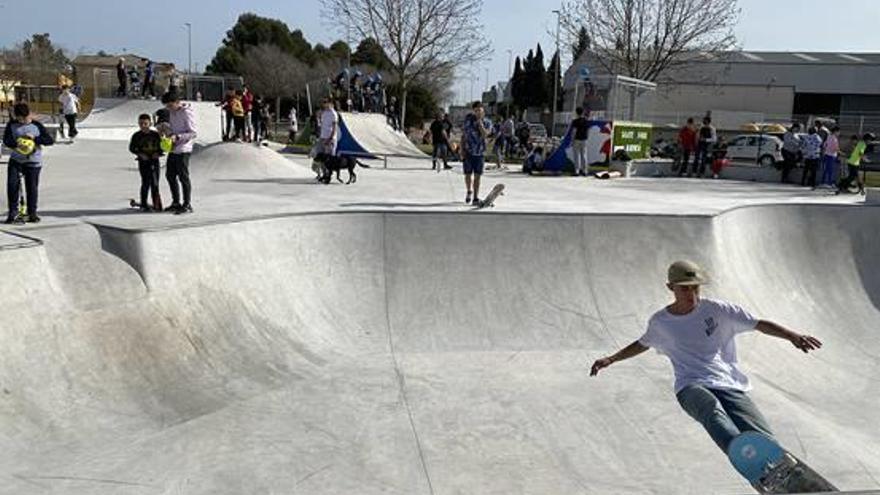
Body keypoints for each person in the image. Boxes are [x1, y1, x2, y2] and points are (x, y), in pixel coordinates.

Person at [590, 260, 824, 471]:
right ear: (670, 288)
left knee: (761, 434)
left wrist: (793, 336)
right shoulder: (661, 322)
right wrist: (611, 359)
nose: (691, 294)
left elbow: (758, 324)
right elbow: (642, 344)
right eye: (684, 288)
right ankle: (748, 459)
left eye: (695, 288)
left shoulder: (718, 310)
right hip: (689, 386)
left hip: (726, 382)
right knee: (710, 407)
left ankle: (781, 472)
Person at [3, 102, 55, 223]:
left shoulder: (37, 126)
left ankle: (32, 213)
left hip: (33, 162)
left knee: (31, 188)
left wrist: (35, 138)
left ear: (27, 115)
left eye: (23, 118)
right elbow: (7, 140)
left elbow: (49, 140)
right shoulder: (12, 124)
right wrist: (18, 143)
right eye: (19, 118)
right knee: (12, 185)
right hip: (16, 160)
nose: (21, 121)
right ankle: (13, 213)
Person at [162, 91, 197, 214]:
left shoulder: (187, 112)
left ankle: (187, 204)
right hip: (173, 148)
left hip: (184, 149)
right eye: (167, 106)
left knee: (183, 177)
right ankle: (176, 202)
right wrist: (168, 132)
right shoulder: (172, 112)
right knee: (170, 175)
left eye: (170, 105)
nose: (168, 108)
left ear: (177, 102)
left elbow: (193, 133)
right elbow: (173, 128)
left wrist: (178, 137)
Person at [128, 114, 163, 212]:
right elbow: (131, 148)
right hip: (143, 162)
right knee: (145, 183)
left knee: (155, 183)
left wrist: (158, 153)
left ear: (150, 123)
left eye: (145, 123)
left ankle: (157, 204)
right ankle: (144, 204)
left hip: (154, 161)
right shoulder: (136, 135)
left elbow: (162, 147)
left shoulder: (155, 135)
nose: (143, 126)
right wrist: (140, 154)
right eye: (141, 124)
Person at [460, 101, 492, 205]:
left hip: (480, 153)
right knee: (468, 174)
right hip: (468, 152)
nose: (478, 112)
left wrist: (480, 124)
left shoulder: (487, 122)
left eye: (479, 110)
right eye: (476, 110)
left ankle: (475, 197)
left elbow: (485, 135)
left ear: (483, 111)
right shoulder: (468, 121)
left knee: (478, 176)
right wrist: (462, 150)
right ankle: (469, 190)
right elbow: (463, 136)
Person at [570, 107, 590, 176]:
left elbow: (574, 131)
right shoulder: (586, 121)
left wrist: (572, 140)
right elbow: (588, 131)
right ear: (583, 112)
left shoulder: (575, 121)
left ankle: (577, 171)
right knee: (584, 155)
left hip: (577, 139)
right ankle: (585, 171)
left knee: (577, 156)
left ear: (576, 113)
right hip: (584, 139)